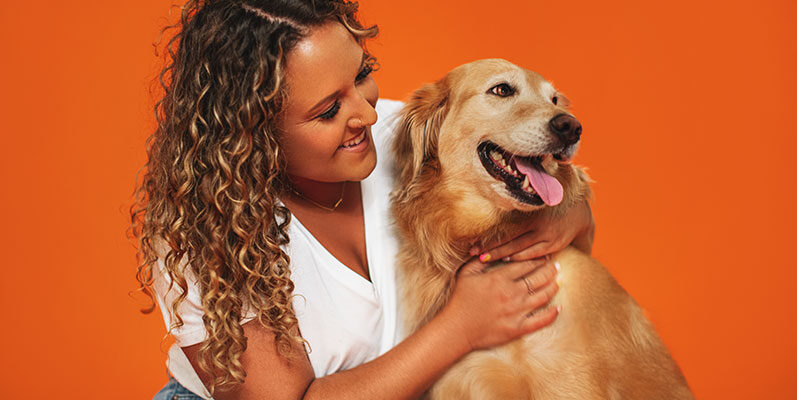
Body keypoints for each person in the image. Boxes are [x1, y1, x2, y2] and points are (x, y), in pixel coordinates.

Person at [130, 1, 595, 399]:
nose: (368, 112)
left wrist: (564, 213)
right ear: (255, 135)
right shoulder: (200, 232)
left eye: (362, 75)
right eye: (329, 110)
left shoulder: (404, 134)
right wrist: (461, 326)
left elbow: (568, 211)